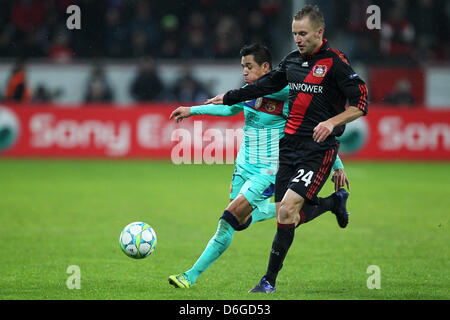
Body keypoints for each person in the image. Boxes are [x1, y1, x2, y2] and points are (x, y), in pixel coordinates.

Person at [205, 5, 368, 293]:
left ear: (320, 32)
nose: (298, 39)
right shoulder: (292, 62)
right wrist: (229, 97)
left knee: (288, 210)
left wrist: (331, 122)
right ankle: (334, 202)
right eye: (295, 34)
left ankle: (268, 281)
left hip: (318, 150)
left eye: (303, 33)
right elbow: (263, 86)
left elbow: (361, 102)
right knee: (285, 215)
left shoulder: (336, 63)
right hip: (288, 148)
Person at [168, 43, 350, 289]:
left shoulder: (287, 92)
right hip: (243, 167)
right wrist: (191, 110)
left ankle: (189, 276)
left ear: (266, 67)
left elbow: (313, 127)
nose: (244, 71)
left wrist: (336, 164)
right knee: (244, 222)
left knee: (227, 220)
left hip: (268, 171)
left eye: (249, 66)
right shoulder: (249, 91)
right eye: (242, 66)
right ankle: (332, 202)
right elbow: (228, 108)